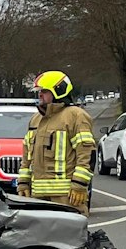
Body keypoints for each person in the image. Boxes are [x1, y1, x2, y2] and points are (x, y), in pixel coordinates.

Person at [16, 70, 96, 214]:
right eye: (39, 91)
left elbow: (87, 154)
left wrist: (79, 185)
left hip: (67, 198)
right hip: (37, 197)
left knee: (69, 236)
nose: (40, 95)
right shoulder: (36, 119)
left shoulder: (76, 116)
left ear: (59, 91)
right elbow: (27, 157)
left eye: (45, 91)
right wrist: (23, 183)